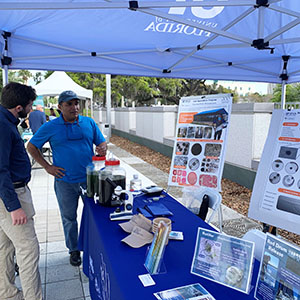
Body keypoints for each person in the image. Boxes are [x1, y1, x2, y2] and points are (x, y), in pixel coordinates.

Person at [27, 90, 107, 267]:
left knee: (95, 215)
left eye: (76, 103)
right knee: (69, 218)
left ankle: (96, 246)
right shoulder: (50, 126)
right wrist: (47, 167)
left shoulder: (89, 122)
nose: (75, 107)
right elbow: (31, 146)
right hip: (65, 182)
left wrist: (102, 148)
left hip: (89, 180)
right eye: (69, 104)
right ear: (60, 107)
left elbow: (101, 142)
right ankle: (73, 250)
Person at [0, 82, 42, 300]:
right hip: (11, 195)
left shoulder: (5, 121)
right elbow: (0, 170)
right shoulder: (3, 126)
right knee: (28, 250)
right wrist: (14, 207)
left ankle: (7, 293)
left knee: (5, 247)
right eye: (29, 105)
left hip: (7, 194)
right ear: (18, 108)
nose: (31, 109)